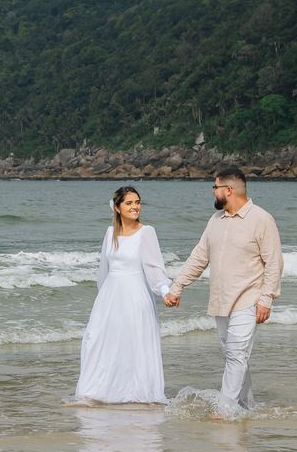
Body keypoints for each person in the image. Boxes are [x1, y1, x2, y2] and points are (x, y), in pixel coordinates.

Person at [164, 167, 283, 414]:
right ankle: (247, 406)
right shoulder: (215, 221)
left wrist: (266, 299)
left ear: (228, 190)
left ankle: (225, 410)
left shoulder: (261, 219)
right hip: (221, 300)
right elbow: (199, 257)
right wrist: (177, 286)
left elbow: (273, 262)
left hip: (248, 300)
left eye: (215, 187)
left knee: (236, 354)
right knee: (235, 356)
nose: (212, 192)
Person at [73, 186, 173, 404]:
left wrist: (165, 291)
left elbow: (154, 267)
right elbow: (103, 269)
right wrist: (103, 301)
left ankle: (138, 394)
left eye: (137, 202)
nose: (135, 207)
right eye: (129, 203)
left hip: (135, 296)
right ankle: (96, 391)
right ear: (117, 207)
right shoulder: (110, 233)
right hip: (110, 298)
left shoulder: (147, 232)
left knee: (134, 344)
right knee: (98, 341)